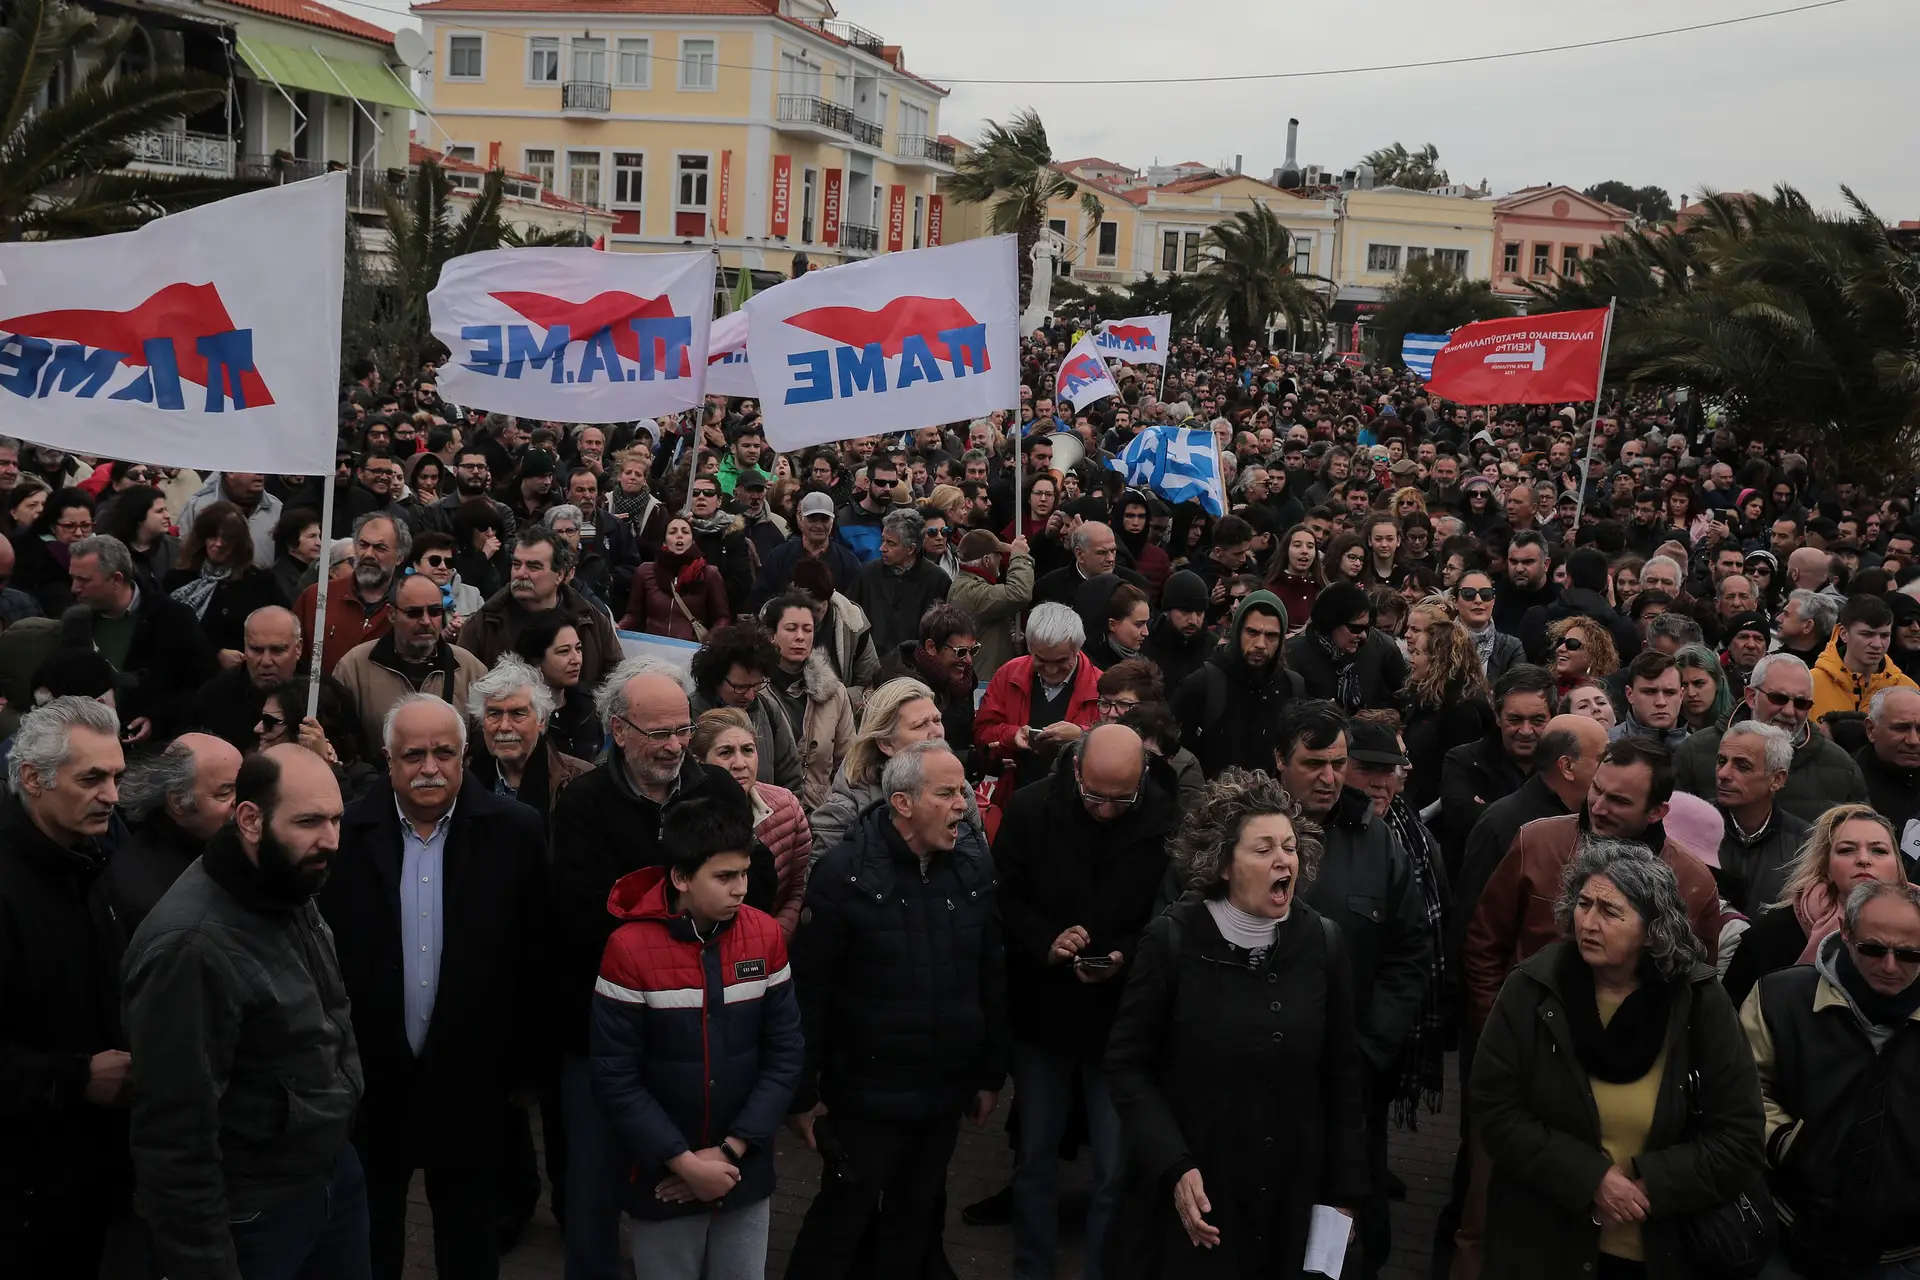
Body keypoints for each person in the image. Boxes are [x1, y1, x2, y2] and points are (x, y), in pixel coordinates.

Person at [1101, 769, 1368, 1278]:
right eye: (1263, 849)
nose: (1283, 860)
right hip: (1201, 1194)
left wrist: (1345, 1195)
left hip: (1289, 1196)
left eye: (1289, 847)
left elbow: (1342, 1078)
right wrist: (1174, 1166)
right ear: (1223, 863)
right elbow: (1127, 1066)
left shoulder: (1323, 942)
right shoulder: (1172, 941)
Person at [319, 695, 548, 1280]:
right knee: (370, 1234)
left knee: (469, 1235)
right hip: (370, 1077)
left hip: (472, 1075)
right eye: (413, 754)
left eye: (444, 753)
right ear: (387, 760)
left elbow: (534, 956)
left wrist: (523, 1070)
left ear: (464, 756)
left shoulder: (514, 832)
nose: (429, 767)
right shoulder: (344, 835)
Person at [123, 745, 367, 1280]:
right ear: (250, 820)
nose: (330, 840)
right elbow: (175, 1140)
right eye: (308, 821)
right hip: (256, 1212)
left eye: (335, 819)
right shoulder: (190, 948)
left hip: (329, 1178)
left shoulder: (289, 879)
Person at [1471, 839, 1764, 1280]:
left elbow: (1739, 1137)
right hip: (1543, 1246)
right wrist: (1591, 1179)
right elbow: (1495, 1110)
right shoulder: (1533, 989)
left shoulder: (1698, 1002)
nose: (1588, 921)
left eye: (1610, 912)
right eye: (1584, 904)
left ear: (1651, 930)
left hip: (1661, 1250)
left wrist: (1652, 1186)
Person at [783, 741, 1008, 1279]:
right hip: (865, 1097)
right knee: (843, 1218)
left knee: (915, 1218)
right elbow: (810, 994)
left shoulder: (974, 869)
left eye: (963, 791)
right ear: (903, 803)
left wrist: (989, 1073)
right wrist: (803, 1097)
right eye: (947, 793)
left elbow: (991, 977)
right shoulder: (843, 877)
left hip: (941, 1092)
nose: (964, 804)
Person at [589, 790, 803, 1280]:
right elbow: (614, 1075)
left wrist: (728, 1153)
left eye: (744, 873)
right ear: (681, 877)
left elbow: (786, 1051)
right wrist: (682, 1163)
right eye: (724, 877)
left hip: (743, 1171)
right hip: (661, 1179)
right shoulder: (628, 950)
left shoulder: (765, 936)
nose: (740, 889)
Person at [994, 723, 1179, 1279]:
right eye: (1094, 796)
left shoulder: (1166, 820)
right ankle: (1033, 1268)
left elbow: (1169, 914)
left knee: (1115, 1166)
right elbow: (1002, 898)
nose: (1104, 810)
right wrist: (1044, 942)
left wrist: (1124, 954)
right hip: (1044, 1013)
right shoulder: (1030, 810)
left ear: (1143, 779)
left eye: (1120, 800)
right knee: (1035, 1158)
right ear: (1075, 771)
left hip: (1119, 1021)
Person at [1273, 699, 1433, 1279]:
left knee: (1339, 1245)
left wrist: (1368, 1049)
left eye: (1338, 762)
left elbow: (1409, 952)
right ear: (1279, 763)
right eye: (1313, 762)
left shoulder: (1377, 843)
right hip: (1248, 1088)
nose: (1329, 777)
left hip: (1345, 1087)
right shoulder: (1233, 836)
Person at [1463, 738, 1723, 1035]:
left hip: (1636, 1049)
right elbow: (1484, 946)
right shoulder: (1535, 843)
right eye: (1597, 789)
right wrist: (1496, 1028)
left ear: (1656, 812)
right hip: (1531, 1039)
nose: (1599, 807)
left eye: (1619, 801)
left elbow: (1696, 985)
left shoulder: (1693, 882)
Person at [0, 698, 131, 1276]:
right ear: (34, 778)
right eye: (92, 778)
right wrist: (76, 1077)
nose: (112, 795)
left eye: (117, 777)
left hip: (88, 1179)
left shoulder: (89, 860)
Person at [1739, 879, 1920, 1280]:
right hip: (1788, 1235)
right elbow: (1742, 1090)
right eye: (1873, 949)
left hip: (1905, 1254)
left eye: (1909, 954)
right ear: (1846, 934)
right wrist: (1786, 1143)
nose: (1890, 966)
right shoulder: (1781, 998)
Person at [1722, 804, 1908, 1007]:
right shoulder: (1772, 934)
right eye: (1846, 850)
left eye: (1878, 850)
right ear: (1826, 867)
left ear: (1898, 867)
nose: (1863, 859)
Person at [1671, 653, 1870, 824]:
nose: (1790, 711)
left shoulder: (1841, 767)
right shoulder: (1695, 751)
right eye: (1778, 698)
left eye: (1801, 703)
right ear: (1751, 696)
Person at [808, 675, 984, 857]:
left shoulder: (962, 793)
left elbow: (980, 866)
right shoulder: (842, 813)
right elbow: (825, 882)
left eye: (937, 720)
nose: (937, 732)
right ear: (886, 744)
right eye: (921, 725)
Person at [68, 533, 216, 741]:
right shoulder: (76, 621)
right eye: (73, 578)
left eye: (84, 580)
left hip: (151, 751)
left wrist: (156, 718)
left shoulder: (173, 619)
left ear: (116, 579)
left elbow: (203, 685)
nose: (74, 588)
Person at [331, 572, 489, 760]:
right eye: (414, 613)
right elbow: (342, 744)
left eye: (435, 611)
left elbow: (484, 746)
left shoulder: (471, 669)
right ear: (391, 614)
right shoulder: (353, 668)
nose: (426, 621)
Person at [107, 732, 242, 934]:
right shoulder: (146, 895)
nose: (243, 804)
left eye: (245, 787)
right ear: (179, 802)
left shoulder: (232, 846)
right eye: (225, 793)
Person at [691, 707, 811, 935]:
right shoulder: (684, 819)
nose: (740, 763)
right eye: (726, 753)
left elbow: (799, 888)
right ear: (699, 762)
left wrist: (774, 936)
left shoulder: (786, 806)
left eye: (748, 750)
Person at [459, 527, 622, 691]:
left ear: (560, 574)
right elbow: (464, 688)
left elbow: (616, 681)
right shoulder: (483, 623)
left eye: (533, 566)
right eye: (516, 564)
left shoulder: (591, 620)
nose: (521, 574)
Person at [1437, 665, 1558, 878]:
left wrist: (1492, 812)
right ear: (1497, 716)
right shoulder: (1462, 761)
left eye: (1538, 720)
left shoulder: (1563, 766)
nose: (1526, 731)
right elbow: (1464, 821)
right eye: (1515, 719)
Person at [975, 601, 1103, 795]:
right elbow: (982, 732)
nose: (1051, 669)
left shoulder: (1101, 686)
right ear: (1030, 648)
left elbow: (1119, 745)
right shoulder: (1009, 674)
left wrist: (1081, 737)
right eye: (1041, 660)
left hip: (1077, 801)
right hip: (1016, 795)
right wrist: (1012, 735)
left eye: (1061, 661)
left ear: (1078, 649)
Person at [1170, 589, 1302, 777]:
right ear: (1238, 630)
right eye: (1252, 632)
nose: (1260, 644)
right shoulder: (1202, 685)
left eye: (1271, 636)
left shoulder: (1293, 687)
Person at [465, 654, 592, 828]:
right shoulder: (463, 777)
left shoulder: (580, 780)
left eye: (518, 714)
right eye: (494, 713)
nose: (504, 726)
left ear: (542, 721)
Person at [687, 622, 805, 795]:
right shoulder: (689, 713)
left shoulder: (769, 709)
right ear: (715, 678)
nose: (750, 695)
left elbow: (791, 779)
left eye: (757, 685)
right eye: (740, 687)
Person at [1401, 597, 1496, 813]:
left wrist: (1425, 815)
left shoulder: (1462, 711)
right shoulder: (1423, 697)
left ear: (1438, 661)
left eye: (1417, 653)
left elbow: (1460, 778)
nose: (1411, 659)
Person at [166, 500, 290, 663]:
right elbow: (167, 631)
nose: (218, 544)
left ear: (239, 543)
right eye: (212, 536)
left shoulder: (260, 581)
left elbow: (283, 627)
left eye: (227, 538)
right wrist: (215, 653)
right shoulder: (177, 579)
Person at [1711, 720, 1811, 917]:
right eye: (1722, 761)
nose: (1723, 774)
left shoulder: (1805, 846)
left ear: (1777, 779)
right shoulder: (1690, 827)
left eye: (1742, 766)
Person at [296, 511, 406, 676]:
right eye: (363, 545)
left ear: (399, 557)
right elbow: (294, 659)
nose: (368, 554)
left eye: (379, 548)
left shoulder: (409, 605)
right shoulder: (318, 596)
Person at [190, 605, 304, 752]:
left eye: (277, 650)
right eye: (256, 650)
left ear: (298, 648)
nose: (266, 661)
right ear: (245, 647)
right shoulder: (214, 698)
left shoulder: (322, 697)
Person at [1286, 580, 1410, 713]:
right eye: (1355, 628)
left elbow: (1403, 701)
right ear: (1331, 623)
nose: (1363, 635)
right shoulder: (1294, 653)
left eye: (1367, 628)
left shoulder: (1383, 648)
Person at [876, 599, 979, 757]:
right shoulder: (898, 684)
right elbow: (910, 753)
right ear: (931, 647)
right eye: (960, 652)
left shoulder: (963, 682)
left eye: (973, 651)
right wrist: (970, 760)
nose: (968, 660)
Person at [849, 506, 952, 657]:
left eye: (891, 543)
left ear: (910, 549)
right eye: (883, 540)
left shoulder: (938, 580)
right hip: (871, 664)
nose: (882, 548)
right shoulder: (867, 574)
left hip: (916, 669)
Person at [509, 610, 603, 763]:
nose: (576, 659)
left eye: (578, 649)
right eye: (564, 651)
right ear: (536, 660)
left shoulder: (589, 704)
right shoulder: (519, 714)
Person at [1811, 592, 1920, 723]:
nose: (1877, 644)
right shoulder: (1810, 685)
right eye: (1867, 634)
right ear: (1844, 634)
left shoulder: (1908, 689)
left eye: (1884, 636)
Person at [620, 514, 729, 640]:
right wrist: (619, 627)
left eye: (685, 531)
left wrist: (709, 642)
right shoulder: (645, 571)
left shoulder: (709, 573)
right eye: (672, 532)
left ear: (692, 540)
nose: (679, 535)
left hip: (691, 650)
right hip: (652, 649)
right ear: (664, 541)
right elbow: (633, 615)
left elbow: (722, 618)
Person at [749, 492, 862, 610]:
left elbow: (853, 608)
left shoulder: (849, 562)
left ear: (832, 521)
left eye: (824, 519)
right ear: (801, 520)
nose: (819, 525)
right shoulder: (779, 557)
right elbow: (760, 598)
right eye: (812, 519)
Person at [949, 529, 1035, 682]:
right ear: (986, 560)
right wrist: (1020, 558)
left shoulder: (967, 586)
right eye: (998, 555)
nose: (1001, 558)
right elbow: (1019, 593)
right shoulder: (970, 591)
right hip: (980, 682)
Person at [1856, 685, 1920, 844]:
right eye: (1901, 728)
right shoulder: (1847, 781)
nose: (1913, 740)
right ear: (1871, 729)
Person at [1141, 569, 1215, 695]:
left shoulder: (1214, 649)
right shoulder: (1144, 642)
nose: (1193, 620)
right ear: (1167, 611)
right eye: (1184, 611)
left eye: (1199, 612)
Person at [1455, 569, 1526, 681]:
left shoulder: (1511, 647)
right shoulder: (1438, 642)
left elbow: (1516, 691)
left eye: (1485, 594)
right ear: (1455, 602)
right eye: (1468, 594)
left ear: (1493, 601)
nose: (1478, 600)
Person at [1610, 650, 1689, 751]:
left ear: (1681, 695)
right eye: (1649, 692)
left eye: (1670, 693)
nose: (1661, 702)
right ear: (1629, 694)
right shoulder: (1606, 746)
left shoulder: (1700, 750)